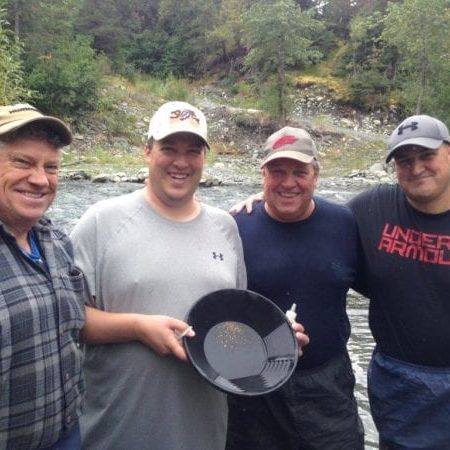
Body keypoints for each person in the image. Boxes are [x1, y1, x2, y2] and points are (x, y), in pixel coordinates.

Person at [71, 101, 277, 450]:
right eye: (169, 149)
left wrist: (277, 341)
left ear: (204, 159)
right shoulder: (100, 221)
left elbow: (234, 324)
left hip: (205, 431)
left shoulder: (225, 227)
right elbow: (66, 322)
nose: (181, 162)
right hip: (116, 429)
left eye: (193, 151)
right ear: (148, 151)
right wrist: (138, 328)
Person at [226, 126, 364, 450]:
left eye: (300, 172)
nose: (288, 183)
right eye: (277, 171)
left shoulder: (344, 222)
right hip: (252, 388)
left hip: (327, 386)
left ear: (316, 175)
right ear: (263, 175)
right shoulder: (234, 227)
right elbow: (217, 312)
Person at [348, 114, 450, 450]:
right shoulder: (372, 207)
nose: (416, 168)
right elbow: (314, 224)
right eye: (405, 161)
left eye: (426, 156)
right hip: (398, 384)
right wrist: (264, 204)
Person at [0, 104, 88, 449]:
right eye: (22, 162)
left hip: (66, 434)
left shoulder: (56, 240)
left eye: (50, 167)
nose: (40, 179)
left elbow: (77, 327)